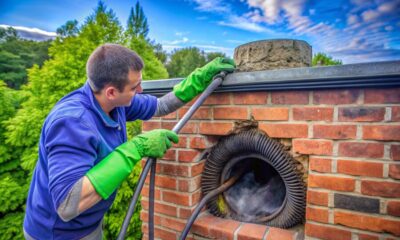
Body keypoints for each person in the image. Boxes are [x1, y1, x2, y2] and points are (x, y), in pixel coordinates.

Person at [23, 43, 235, 239]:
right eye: (135, 87)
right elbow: (68, 204)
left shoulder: (115, 103)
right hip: (56, 234)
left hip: (90, 225)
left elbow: (160, 106)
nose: (140, 91)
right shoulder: (72, 122)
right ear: (112, 92)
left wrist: (197, 80)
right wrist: (136, 147)